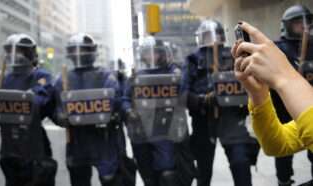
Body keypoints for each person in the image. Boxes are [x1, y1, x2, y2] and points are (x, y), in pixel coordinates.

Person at [232, 20, 313, 178]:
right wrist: (258, 94)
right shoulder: (283, 46)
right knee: (283, 164)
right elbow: (276, 143)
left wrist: (284, 77)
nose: (305, 28)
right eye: (299, 23)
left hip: (299, 103)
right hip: (286, 107)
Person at [184, 19, 258, 186]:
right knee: (204, 170)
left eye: (216, 35)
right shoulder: (193, 59)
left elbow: (249, 79)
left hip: (231, 116)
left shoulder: (233, 54)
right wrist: (202, 100)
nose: (213, 39)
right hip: (204, 119)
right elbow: (183, 91)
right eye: (208, 36)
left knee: (240, 162)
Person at [53, 33, 124, 186]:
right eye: (76, 50)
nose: (80, 54)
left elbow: (116, 101)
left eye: (84, 50)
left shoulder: (106, 76)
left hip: (103, 138)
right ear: (70, 53)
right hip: (77, 139)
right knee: (79, 180)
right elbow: (55, 107)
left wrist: (114, 114)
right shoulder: (62, 79)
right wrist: (59, 117)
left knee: (110, 180)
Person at [122, 38, 195, 186]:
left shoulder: (174, 73)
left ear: (162, 54)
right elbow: (124, 98)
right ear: (142, 56)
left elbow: (183, 94)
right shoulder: (136, 76)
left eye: (154, 53)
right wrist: (129, 111)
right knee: (148, 175)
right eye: (147, 54)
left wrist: (178, 78)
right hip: (142, 130)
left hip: (166, 129)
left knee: (168, 173)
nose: (151, 57)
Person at [0, 34, 57, 186]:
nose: (17, 55)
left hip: (34, 147)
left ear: (31, 53)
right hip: (8, 148)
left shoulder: (40, 75)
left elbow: (42, 94)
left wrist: (28, 99)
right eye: (14, 51)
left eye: (21, 51)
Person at [271, 5, 313, 185]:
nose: (304, 28)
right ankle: (284, 180)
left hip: (309, 108)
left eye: (308, 24)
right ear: (288, 26)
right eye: (299, 24)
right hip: (284, 110)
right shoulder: (277, 49)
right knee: (284, 152)